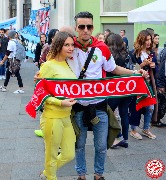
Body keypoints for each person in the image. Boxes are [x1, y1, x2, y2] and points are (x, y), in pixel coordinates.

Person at [71, 11, 147, 180]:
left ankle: (99, 175)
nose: (85, 30)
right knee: (79, 144)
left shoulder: (102, 48)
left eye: (89, 26)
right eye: (81, 26)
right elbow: (55, 66)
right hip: (77, 106)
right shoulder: (69, 47)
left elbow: (114, 69)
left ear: (93, 28)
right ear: (76, 28)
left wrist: (135, 73)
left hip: (99, 106)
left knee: (101, 146)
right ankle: (81, 175)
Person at [39, 31, 77, 180]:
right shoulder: (48, 65)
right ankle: (50, 175)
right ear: (58, 45)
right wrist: (60, 102)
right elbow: (40, 93)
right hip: (52, 117)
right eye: (66, 45)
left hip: (66, 116)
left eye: (72, 45)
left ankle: (47, 172)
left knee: (69, 154)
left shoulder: (68, 63)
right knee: (51, 154)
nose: (70, 48)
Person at [129, 30, 157, 140]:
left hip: (148, 84)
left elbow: (155, 70)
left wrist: (154, 66)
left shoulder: (152, 53)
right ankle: (133, 129)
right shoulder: (133, 53)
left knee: (150, 106)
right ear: (142, 40)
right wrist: (142, 64)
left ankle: (146, 128)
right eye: (147, 40)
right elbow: (131, 69)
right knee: (136, 106)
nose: (149, 42)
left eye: (150, 39)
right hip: (137, 85)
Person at [105, 33, 131, 149]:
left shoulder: (108, 55)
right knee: (124, 113)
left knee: (109, 113)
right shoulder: (127, 54)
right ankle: (125, 138)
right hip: (127, 89)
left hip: (113, 89)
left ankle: (115, 137)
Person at [34, 28, 59, 137]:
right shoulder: (48, 47)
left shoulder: (61, 48)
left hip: (57, 79)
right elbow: (42, 61)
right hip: (48, 78)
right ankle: (45, 129)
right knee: (46, 104)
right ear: (52, 37)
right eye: (57, 35)